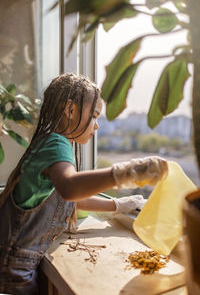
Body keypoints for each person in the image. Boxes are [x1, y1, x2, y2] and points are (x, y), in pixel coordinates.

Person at [0, 73, 168, 294]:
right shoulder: (56, 143)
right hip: (15, 267)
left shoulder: (49, 142)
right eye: (95, 116)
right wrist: (126, 173)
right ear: (70, 110)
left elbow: (69, 199)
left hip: (15, 260)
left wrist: (117, 206)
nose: (96, 126)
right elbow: (70, 188)